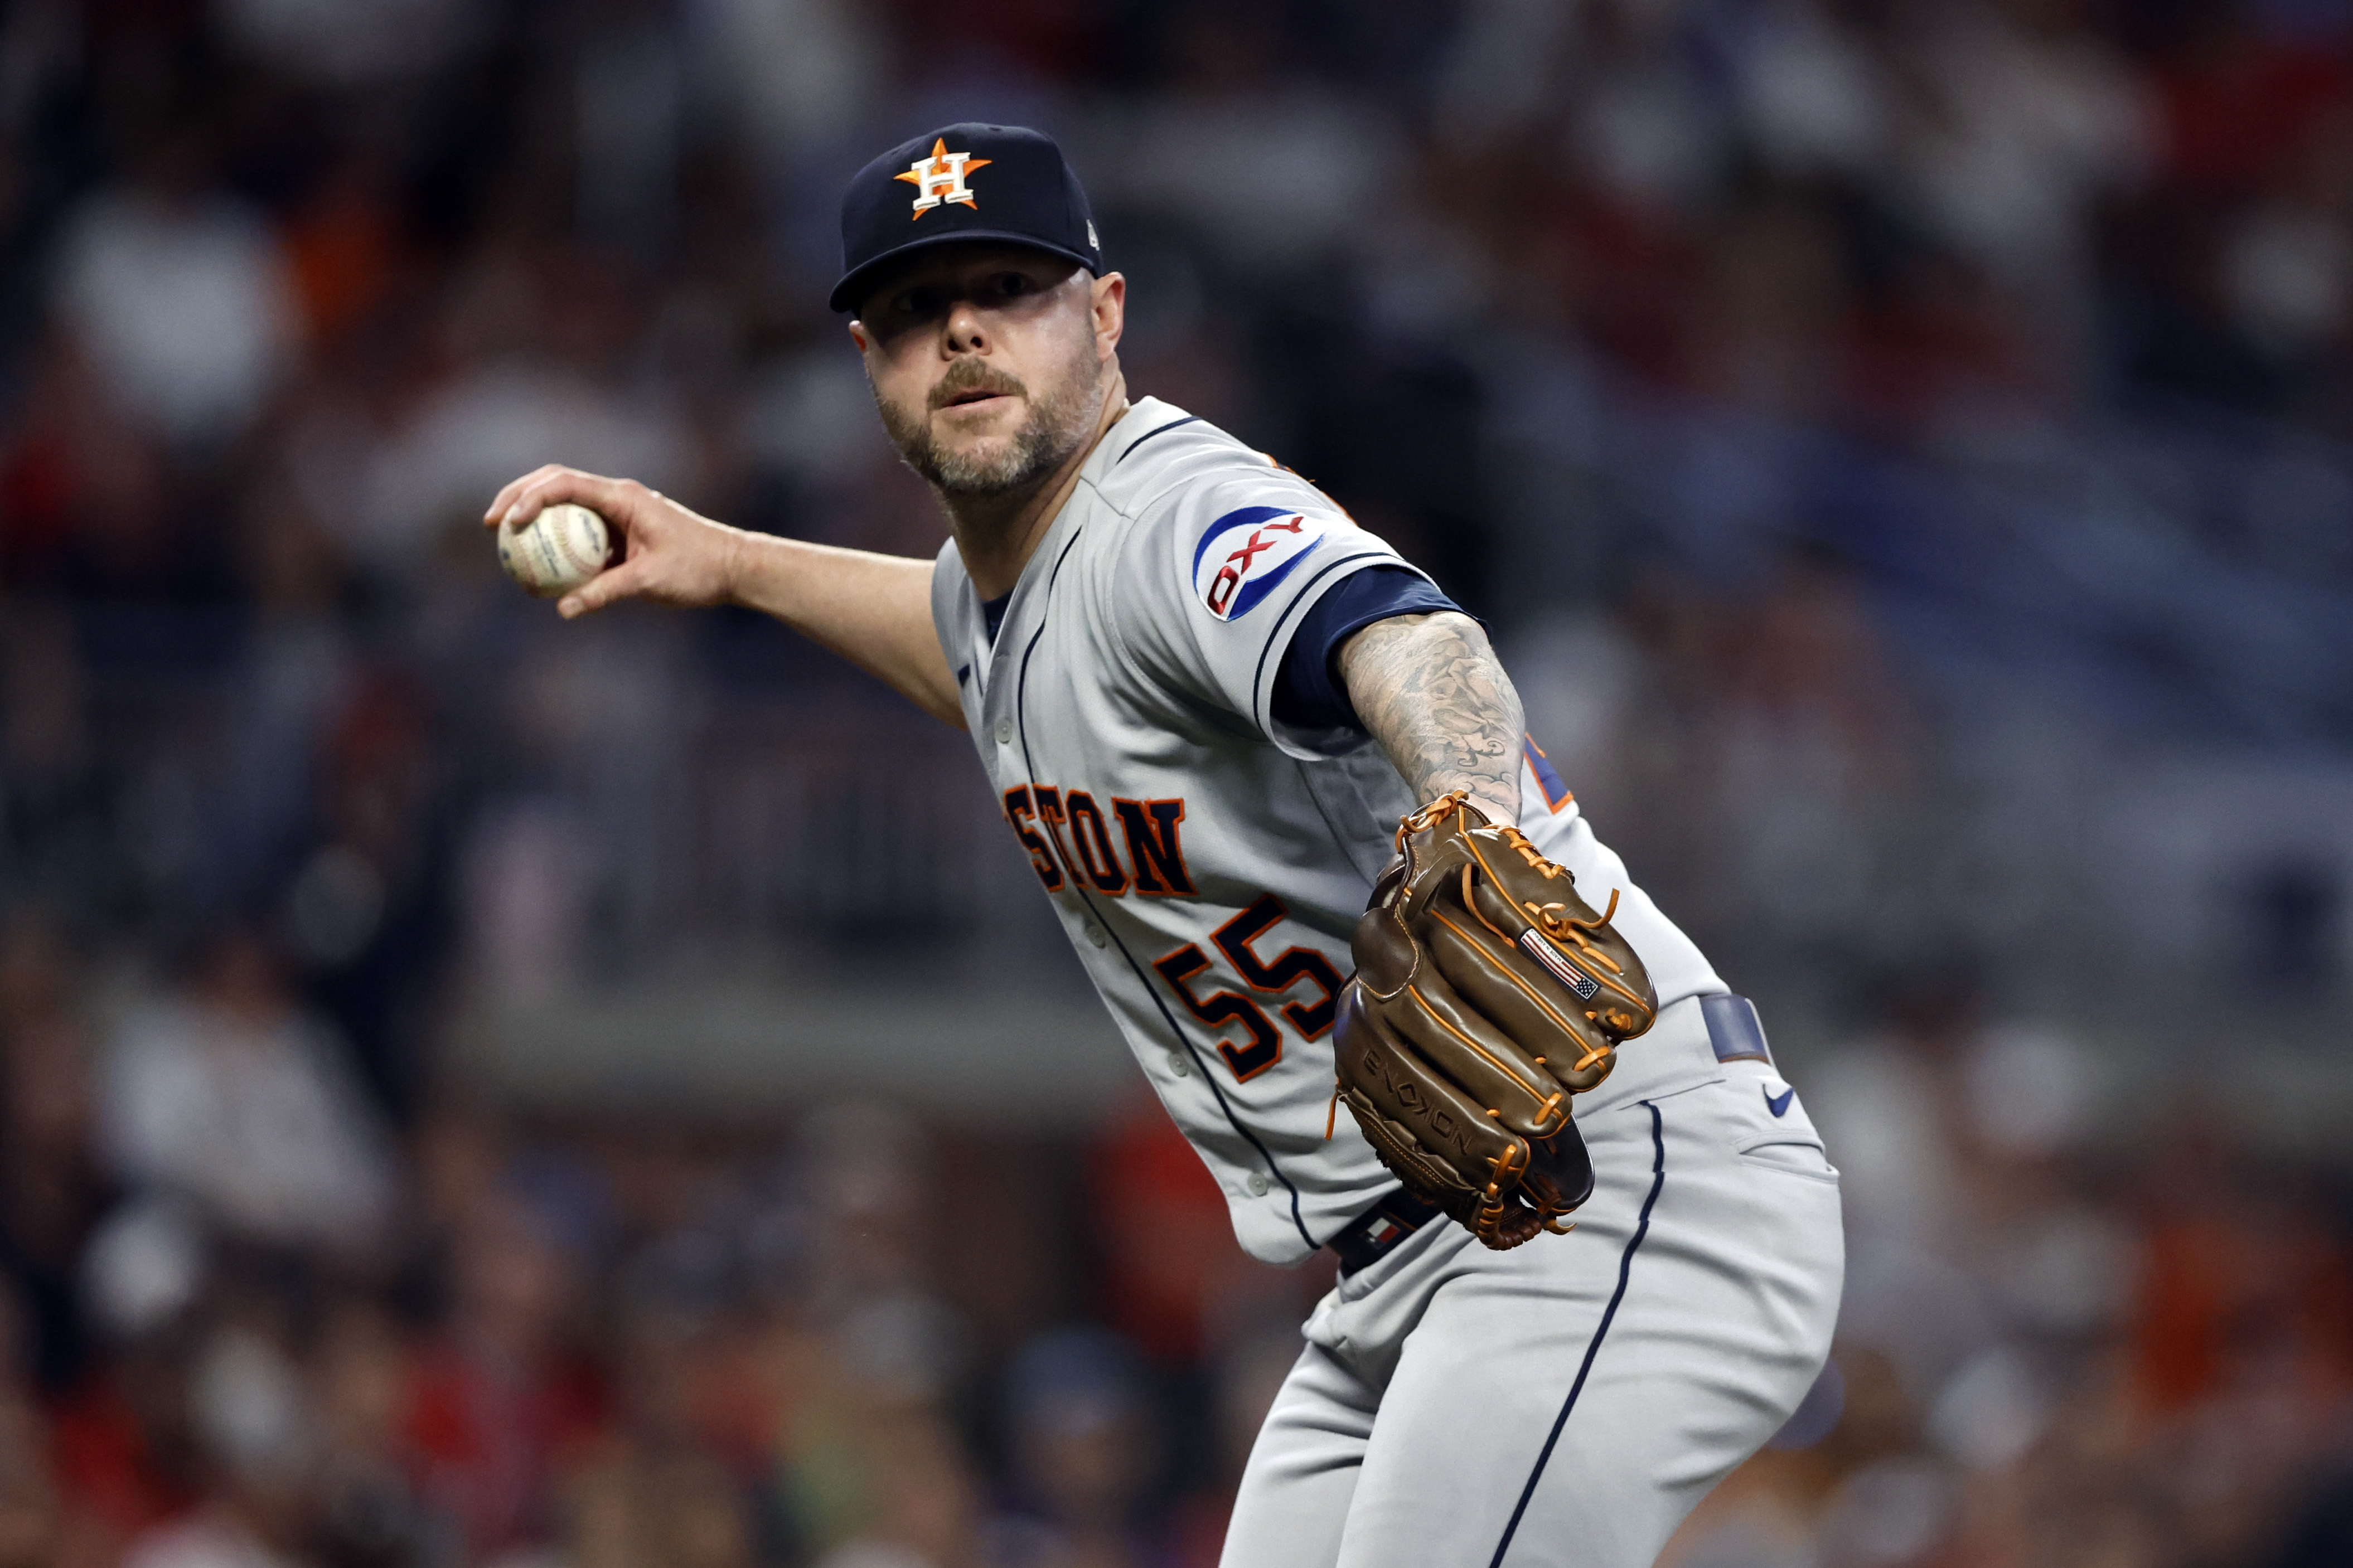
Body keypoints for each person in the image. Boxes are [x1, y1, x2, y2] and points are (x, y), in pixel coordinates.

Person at [486, 123, 1844, 1568]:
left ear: (1107, 313)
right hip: (1414, 1270)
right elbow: (975, 648)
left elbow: (1406, 638)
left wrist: (1469, 810)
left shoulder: (1180, 518)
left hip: (1603, 1191)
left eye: (1009, 286)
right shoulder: (1007, 585)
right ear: (870, 368)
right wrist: (734, 561)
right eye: (907, 311)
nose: (959, 330)